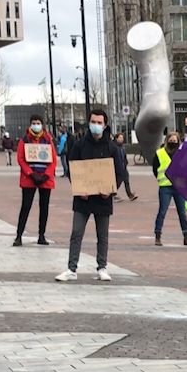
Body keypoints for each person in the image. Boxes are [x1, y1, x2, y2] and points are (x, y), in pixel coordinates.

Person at [56, 106, 126, 282]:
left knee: (102, 235)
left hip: (103, 198)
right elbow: (73, 169)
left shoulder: (112, 148)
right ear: (89, 123)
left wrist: (110, 189)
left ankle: (102, 267)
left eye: (99, 122)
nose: (96, 125)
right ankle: (71, 269)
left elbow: (119, 172)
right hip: (83, 198)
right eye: (93, 122)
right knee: (76, 233)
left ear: (105, 125)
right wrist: (80, 188)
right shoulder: (79, 145)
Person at [13, 115, 56, 246]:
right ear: (30, 124)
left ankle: (41, 235)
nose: (36, 125)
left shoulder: (48, 139)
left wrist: (46, 175)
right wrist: (31, 174)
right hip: (29, 179)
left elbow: (53, 160)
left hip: (45, 179)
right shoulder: (24, 140)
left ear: (42, 125)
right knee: (25, 206)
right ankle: (19, 235)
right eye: (34, 123)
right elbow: (20, 159)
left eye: (38, 123)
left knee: (44, 208)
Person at [154, 129, 187, 247]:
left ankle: (186, 236)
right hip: (165, 187)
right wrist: (160, 179)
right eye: (170, 140)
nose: (172, 142)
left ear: (178, 141)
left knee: (182, 212)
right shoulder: (160, 153)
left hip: (178, 186)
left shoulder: (183, 152)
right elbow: (155, 169)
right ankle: (158, 235)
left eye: (174, 140)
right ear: (166, 141)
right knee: (162, 211)